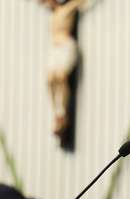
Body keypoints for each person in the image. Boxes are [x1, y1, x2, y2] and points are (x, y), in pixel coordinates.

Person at [40, 0, 85, 136]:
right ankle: (57, 114)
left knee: (61, 76)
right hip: (55, 49)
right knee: (50, 79)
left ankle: (63, 113)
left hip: (66, 45)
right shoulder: (53, 16)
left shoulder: (67, 9)